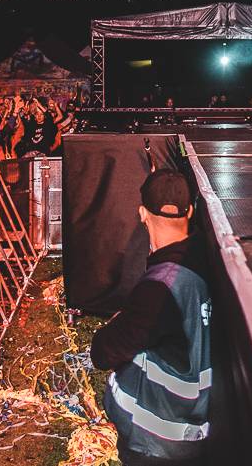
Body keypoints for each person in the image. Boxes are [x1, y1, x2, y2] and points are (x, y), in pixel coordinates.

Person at [92, 169, 212, 464]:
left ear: (142, 213)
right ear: (191, 211)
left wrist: (117, 322)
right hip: (197, 425)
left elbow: (104, 351)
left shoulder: (161, 285)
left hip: (158, 437)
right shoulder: (206, 258)